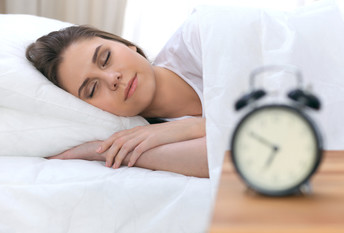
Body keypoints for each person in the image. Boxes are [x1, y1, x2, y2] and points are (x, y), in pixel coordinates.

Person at [26, 14, 209, 178]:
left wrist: (195, 126)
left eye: (105, 58)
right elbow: (221, 157)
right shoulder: (153, 136)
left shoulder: (200, 34)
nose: (112, 78)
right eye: (92, 89)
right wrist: (100, 151)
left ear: (128, 45)